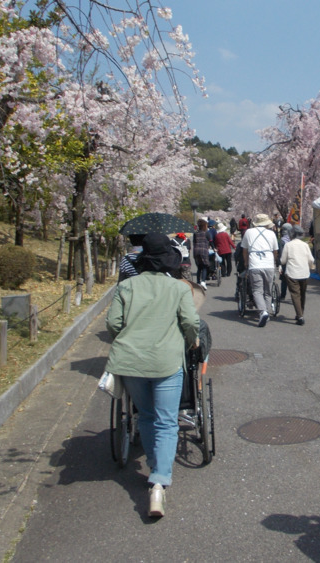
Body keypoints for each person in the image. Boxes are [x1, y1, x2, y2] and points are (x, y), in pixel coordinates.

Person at [104, 233, 200, 518]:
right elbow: (190, 322)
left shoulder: (127, 286)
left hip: (131, 361)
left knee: (145, 415)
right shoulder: (179, 289)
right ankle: (159, 480)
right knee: (167, 420)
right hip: (166, 361)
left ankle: (154, 466)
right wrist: (191, 340)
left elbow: (113, 324)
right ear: (169, 262)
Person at [241, 213, 279, 328]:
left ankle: (263, 312)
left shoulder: (248, 232)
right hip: (269, 264)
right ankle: (266, 312)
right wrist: (274, 262)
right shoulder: (272, 233)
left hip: (255, 263)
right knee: (268, 291)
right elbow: (275, 251)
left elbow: (244, 250)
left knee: (257, 290)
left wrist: (246, 263)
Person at [280, 225, 314, 325]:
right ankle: (300, 313)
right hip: (304, 272)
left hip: (292, 273)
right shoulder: (305, 245)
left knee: (295, 294)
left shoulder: (288, 245)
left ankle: (300, 316)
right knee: (302, 294)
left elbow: (283, 261)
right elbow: (311, 259)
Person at [192, 218, 211, 290]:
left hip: (196, 251)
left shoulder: (195, 233)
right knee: (204, 267)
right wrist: (213, 247)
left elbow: (194, 242)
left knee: (199, 267)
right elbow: (210, 241)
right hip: (203, 250)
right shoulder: (206, 233)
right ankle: (203, 281)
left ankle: (197, 282)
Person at [278, 222, 293, 300]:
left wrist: (279, 264)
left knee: (284, 280)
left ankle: (283, 296)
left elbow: (280, 253)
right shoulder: (293, 240)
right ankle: (294, 295)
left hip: (285, 262)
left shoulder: (282, 241)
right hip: (293, 262)